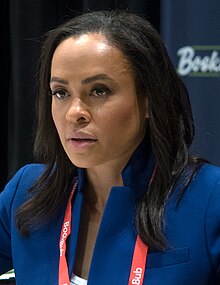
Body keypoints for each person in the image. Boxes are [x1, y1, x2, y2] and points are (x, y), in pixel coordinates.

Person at [0, 10, 220, 285]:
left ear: (150, 99)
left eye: (99, 90)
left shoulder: (210, 198)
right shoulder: (26, 192)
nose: (74, 113)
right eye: (61, 93)